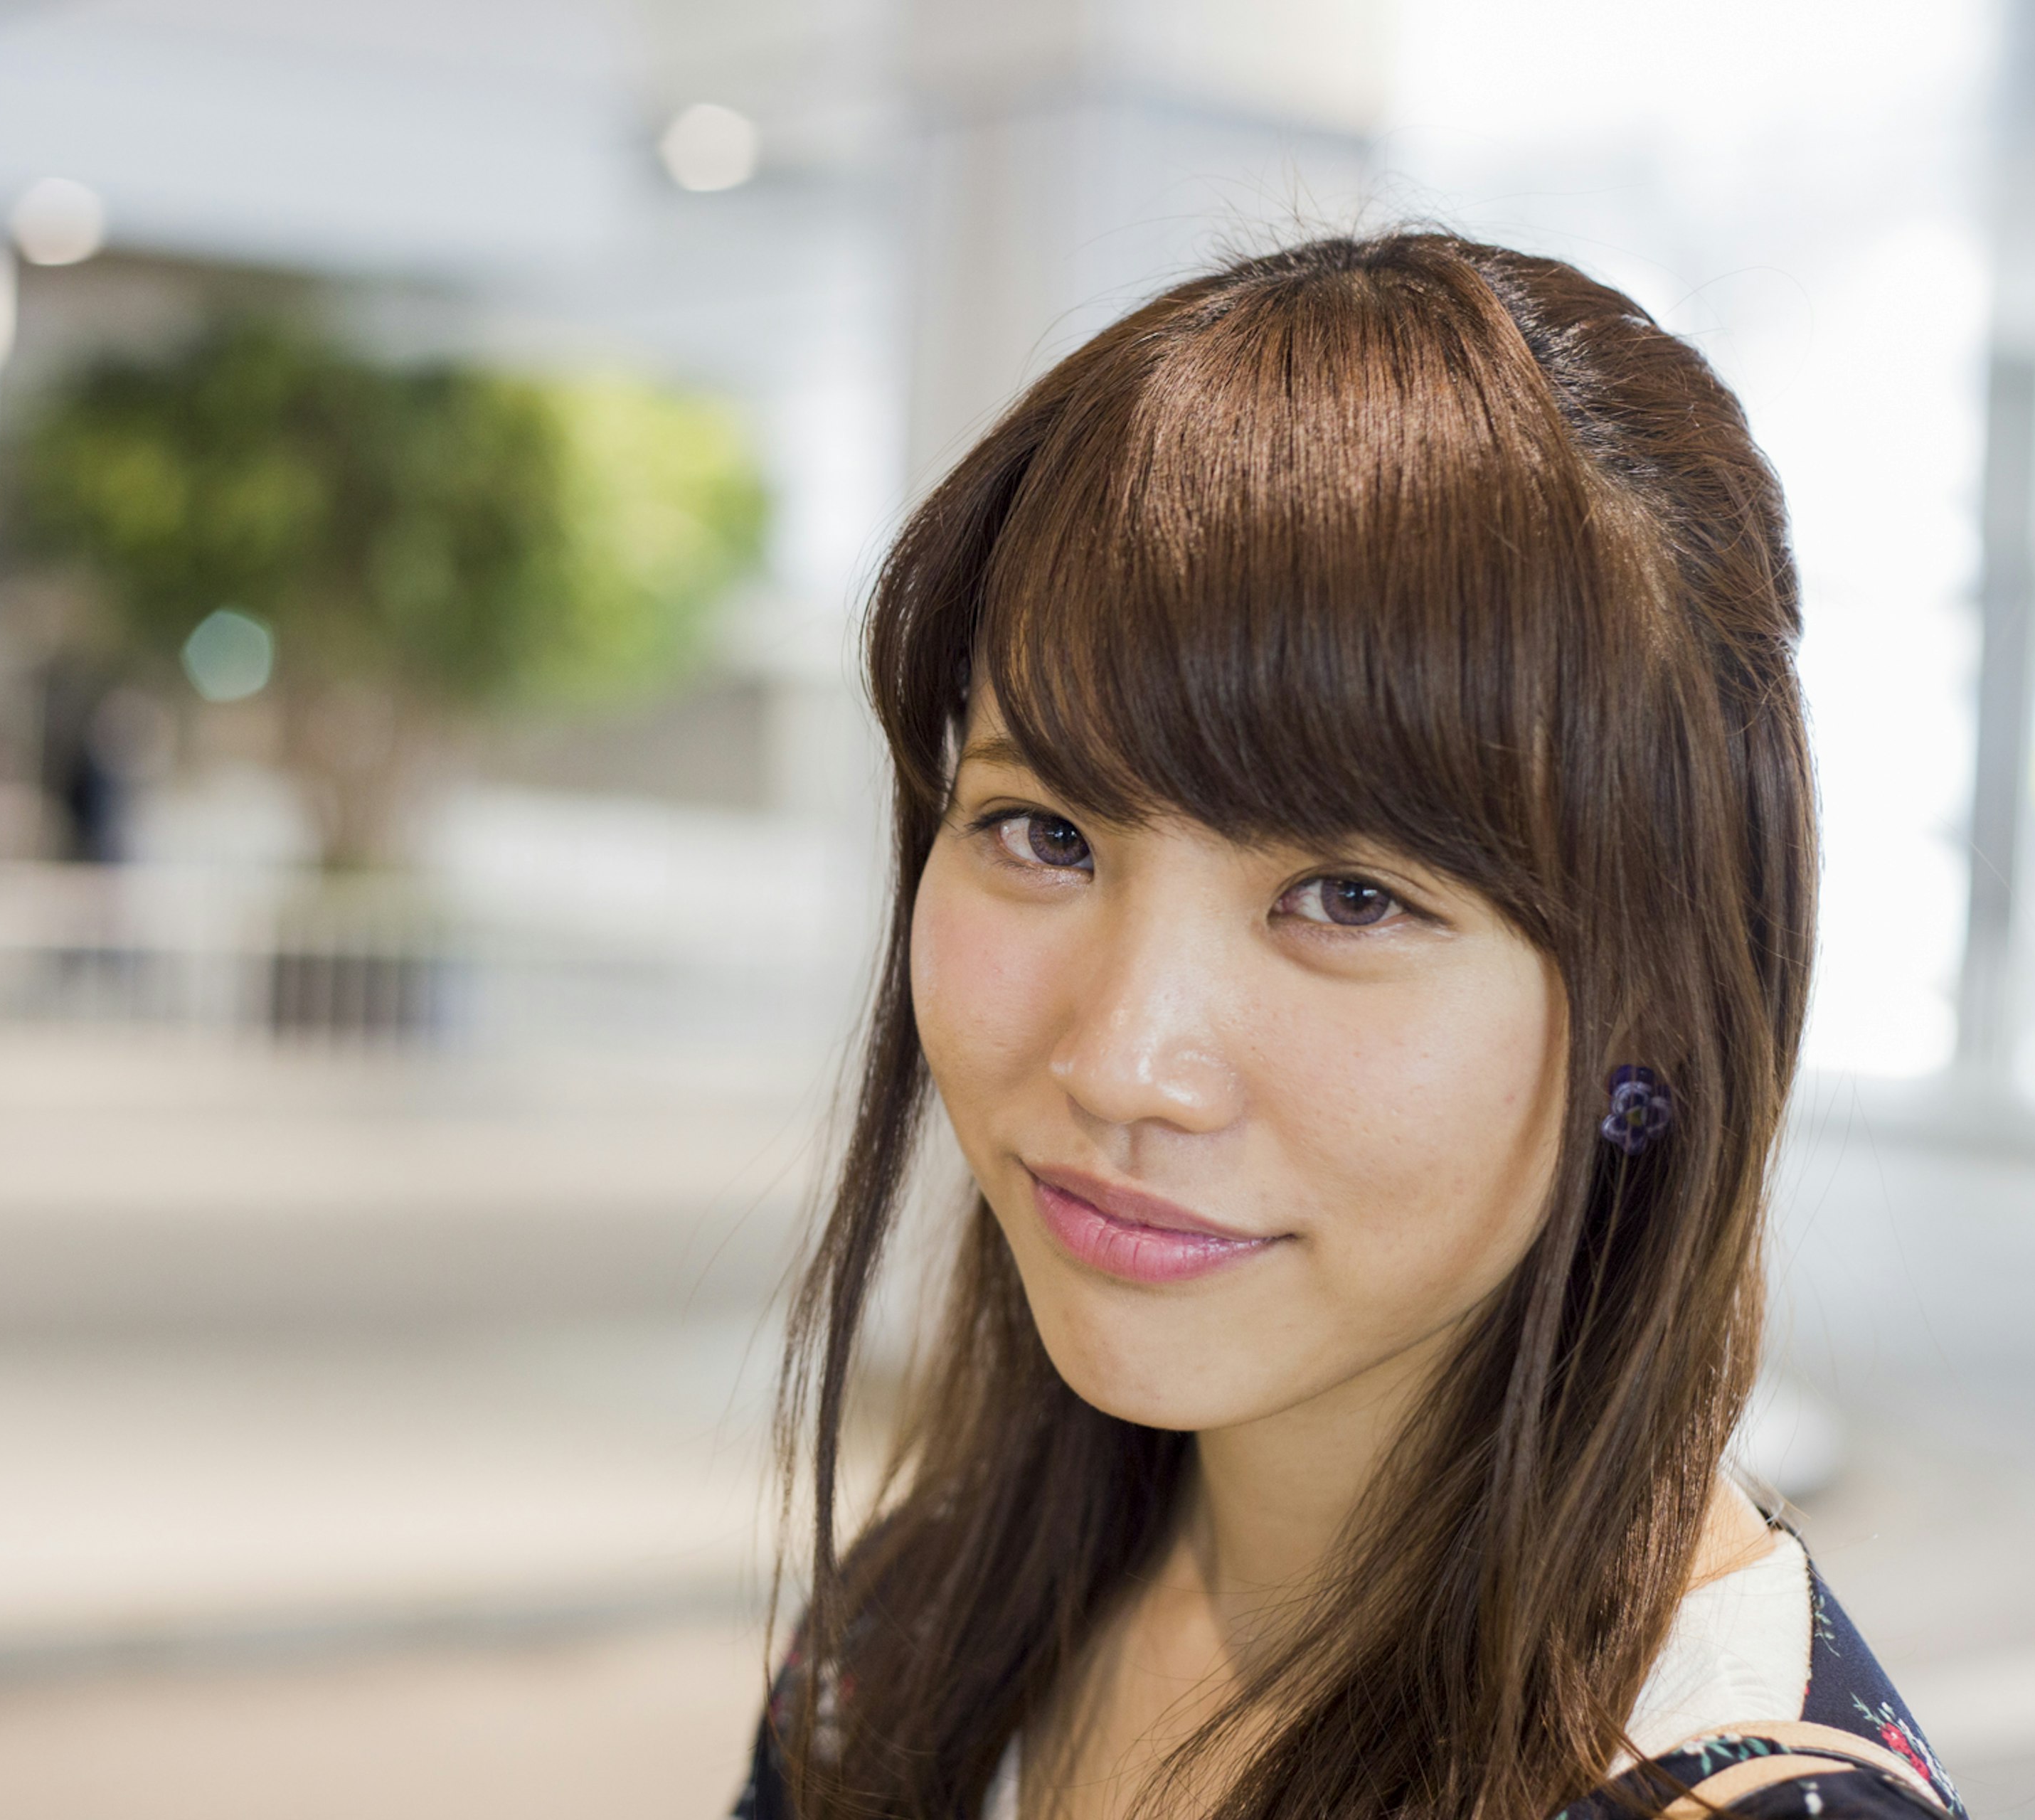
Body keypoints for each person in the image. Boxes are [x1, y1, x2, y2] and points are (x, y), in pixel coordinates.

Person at [735, 233, 1962, 1820]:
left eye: (1350, 896)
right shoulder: (917, 1628)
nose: (1122, 1057)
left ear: (1653, 1003)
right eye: (1045, 833)